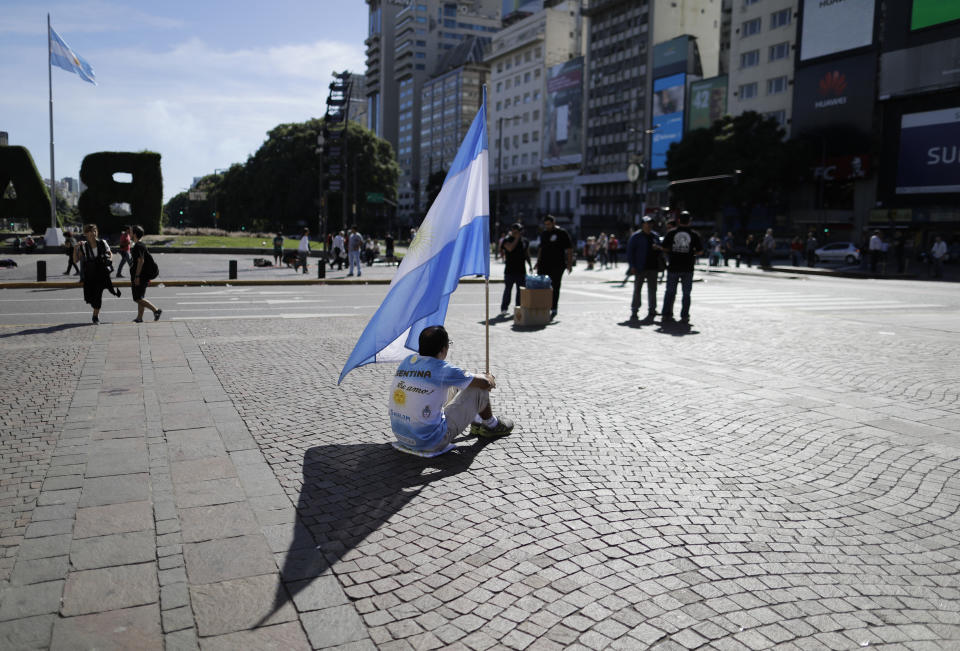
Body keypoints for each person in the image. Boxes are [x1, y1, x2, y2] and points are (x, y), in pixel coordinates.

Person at [389, 325, 514, 453]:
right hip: (429, 441)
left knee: (459, 383)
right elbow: (485, 383)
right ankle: (491, 425)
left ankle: (476, 420)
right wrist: (488, 377)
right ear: (443, 349)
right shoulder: (442, 368)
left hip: (401, 436)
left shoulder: (408, 361)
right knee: (478, 389)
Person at [660, 211, 703, 324]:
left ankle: (666, 314)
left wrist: (672, 251)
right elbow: (700, 251)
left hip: (673, 266)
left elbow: (664, 248)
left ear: (678, 221)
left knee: (670, 292)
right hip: (688, 268)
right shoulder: (694, 235)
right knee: (686, 294)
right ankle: (684, 316)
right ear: (690, 221)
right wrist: (691, 252)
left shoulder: (671, 233)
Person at [75, 223, 120, 324]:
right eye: (90, 232)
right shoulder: (84, 246)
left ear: (97, 232)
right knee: (90, 297)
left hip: (101, 273)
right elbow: (76, 260)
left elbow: (110, 253)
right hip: (90, 275)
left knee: (98, 296)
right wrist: (75, 249)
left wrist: (110, 260)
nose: (93, 233)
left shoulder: (102, 242)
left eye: (94, 231)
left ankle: (95, 316)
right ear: (86, 234)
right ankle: (95, 308)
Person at [535, 215, 573, 319]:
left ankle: (554, 308)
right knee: (542, 286)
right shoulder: (544, 233)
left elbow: (569, 249)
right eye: (545, 224)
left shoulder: (562, 233)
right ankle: (543, 306)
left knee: (555, 286)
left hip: (558, 264)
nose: (547, 226)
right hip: (543, 264)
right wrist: (537, 262)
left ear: (553, 223)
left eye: (549, 224)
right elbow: (541, 248)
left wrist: (569, 264)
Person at [626, 216, 660, 322]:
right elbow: (630, 252)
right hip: (640, 267)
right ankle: (635, 310)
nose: (649, 225)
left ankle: (652, 309)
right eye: (647, 223)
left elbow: (660, 249)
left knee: (653, 290)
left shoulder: (655, 236)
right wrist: (632, 266)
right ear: (642, 224)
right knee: (637, 290)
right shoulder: (636, 236)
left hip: (653, 267)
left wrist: (658, 248)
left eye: (651, 223)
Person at [129, 225, 162, 323]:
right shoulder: (140, 245)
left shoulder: (138, 246)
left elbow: (141, 261)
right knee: (140, 297)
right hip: (143, 275)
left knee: (137, 298)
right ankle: (139, 318)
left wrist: (137, 276)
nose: (129, 233)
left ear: (134, 234)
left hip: (141, 276)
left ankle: (156, 310)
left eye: (130, 232)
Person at [500, 222, 532, 315]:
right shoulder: (507, 240)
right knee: (508, 290)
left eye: (518, 231)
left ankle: (518, 307)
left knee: (520, 291)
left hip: (521, 270)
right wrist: (517, 238)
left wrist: (530, 265)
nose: (516, 232)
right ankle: (504, 308)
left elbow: (527, 254)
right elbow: (510, 248)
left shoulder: (525, 241)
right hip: (509, 270)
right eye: (514, 230)